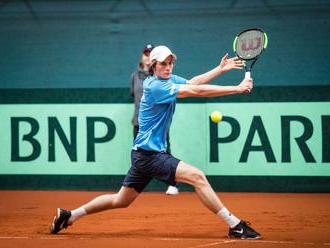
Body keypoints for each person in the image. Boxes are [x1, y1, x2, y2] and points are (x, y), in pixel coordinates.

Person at [50, 45, 261, 239]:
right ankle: (235, 225)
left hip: (143, 154)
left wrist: (220, 69)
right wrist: (237, 88)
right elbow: (196, 92)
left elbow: (192, 82)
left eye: (170, 63)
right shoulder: (154, 87)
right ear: (153, 66)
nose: (168, 67)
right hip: (150, 156)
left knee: (120, 200)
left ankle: (69, 216)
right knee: (197, 177)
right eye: (163, 64)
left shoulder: (166, 80)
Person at [130, 44, 179, 196]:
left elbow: (194, 86)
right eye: (145, 53)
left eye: (169, 63)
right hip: (139, 122)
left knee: (163, 150)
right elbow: (133, 94)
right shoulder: (136, 76)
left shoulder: (163, 79)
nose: (167, 67)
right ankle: (136, 183)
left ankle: (172, 184)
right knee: (142, 154)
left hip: (157, 123)